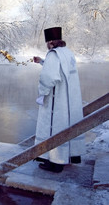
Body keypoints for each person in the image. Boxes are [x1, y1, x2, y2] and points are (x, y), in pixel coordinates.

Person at [33, 27, 85, 173]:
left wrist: (42, 93)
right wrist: (43, 62)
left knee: (53, 128)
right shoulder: (67, 53)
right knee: (65, 126)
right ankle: (66, 157)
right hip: (69, 100)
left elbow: (49, 77)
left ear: (50, 42)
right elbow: (59, 69)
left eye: (47, 42)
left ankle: (55, 162)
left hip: (57, 100)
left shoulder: (53, 54)